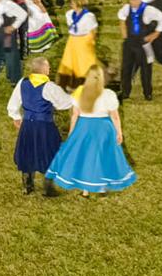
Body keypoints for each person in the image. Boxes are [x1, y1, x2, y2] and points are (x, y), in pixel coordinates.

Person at [45, 64, 137, 196]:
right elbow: (115, 116)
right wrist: (119, 132)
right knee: (102, 156)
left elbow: (75, 115)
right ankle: (102, 187)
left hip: (84, 127)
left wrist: (72, 132)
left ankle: (85, 190)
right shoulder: (108, 94)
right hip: (104, 128)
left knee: (86, 157)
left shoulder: (80, 92)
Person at [7, 57, 73, 194]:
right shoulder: (49, 86)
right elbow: (63, 103)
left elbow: (14, 101)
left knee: (27, 151)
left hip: (28, 125)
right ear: (43, 69)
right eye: (48, 66)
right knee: (50, 151)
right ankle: (48, 188)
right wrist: (74, 96)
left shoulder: (23, 82)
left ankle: (27, 186)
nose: (49, 69)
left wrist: (16, 116)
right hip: (44, 125)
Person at [117, 0, 162, 100]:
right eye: (131, 0)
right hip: (130, 42)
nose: (132, 2)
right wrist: (125, 35)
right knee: (126, 68)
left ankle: (147, 93)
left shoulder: (148, 10)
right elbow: (121, 17)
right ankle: (125, 92)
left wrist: (155, 34)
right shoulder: (127, 8)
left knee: (146, 69)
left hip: (143, 43)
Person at [57, 0, 98, 90]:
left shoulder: (89, 16)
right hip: (72, 40)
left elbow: (94, 31)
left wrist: (90, 43)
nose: (71, 4)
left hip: (84, 40)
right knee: (69, 62)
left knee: (82, 64)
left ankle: (81, 86)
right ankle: (65, 85)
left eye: (72, 2)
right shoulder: (69, 13)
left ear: (78, 3)